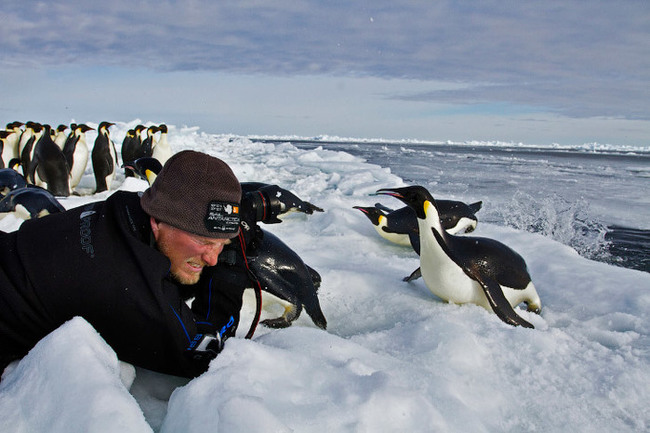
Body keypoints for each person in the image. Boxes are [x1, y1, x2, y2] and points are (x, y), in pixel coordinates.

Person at [0, 150, 281, 378]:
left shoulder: (123, 209)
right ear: (157, 222)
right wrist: (230, 274)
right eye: (205, 243)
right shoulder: (124, 286)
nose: (212, 258)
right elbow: (201, 355)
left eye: (223, 245)